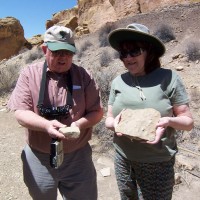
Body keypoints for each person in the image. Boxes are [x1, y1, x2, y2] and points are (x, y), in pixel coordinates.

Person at [8, 25, 103, 200]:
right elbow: (20, 112)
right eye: (57, 51)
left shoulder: (84, 75)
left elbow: (96, 111)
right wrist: (46, 125)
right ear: (45, 49)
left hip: (78, 158)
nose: (63, 57)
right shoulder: (29, 74)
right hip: (39, 158)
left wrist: (78, 125)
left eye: (68, 52)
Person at [105, 23, 194, 200]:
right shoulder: (117, 82)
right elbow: (108, 119)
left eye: (134, 51)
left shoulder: (169, 78)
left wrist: (168, 122)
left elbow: (188, 122)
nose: (128, 58)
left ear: (149, 52)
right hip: (123, 158)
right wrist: (114, 124)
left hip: (157, 162)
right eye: (123, 53)